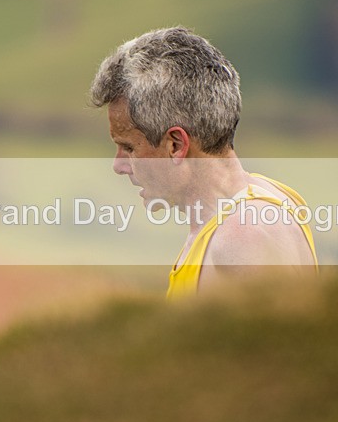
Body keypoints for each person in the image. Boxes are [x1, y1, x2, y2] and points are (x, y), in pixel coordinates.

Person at [90, 27, 317, 300]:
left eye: (129, 148)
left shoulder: (242, 240)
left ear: (175, 145)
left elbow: (289, 341)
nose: (119, 166)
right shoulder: (272, 198)